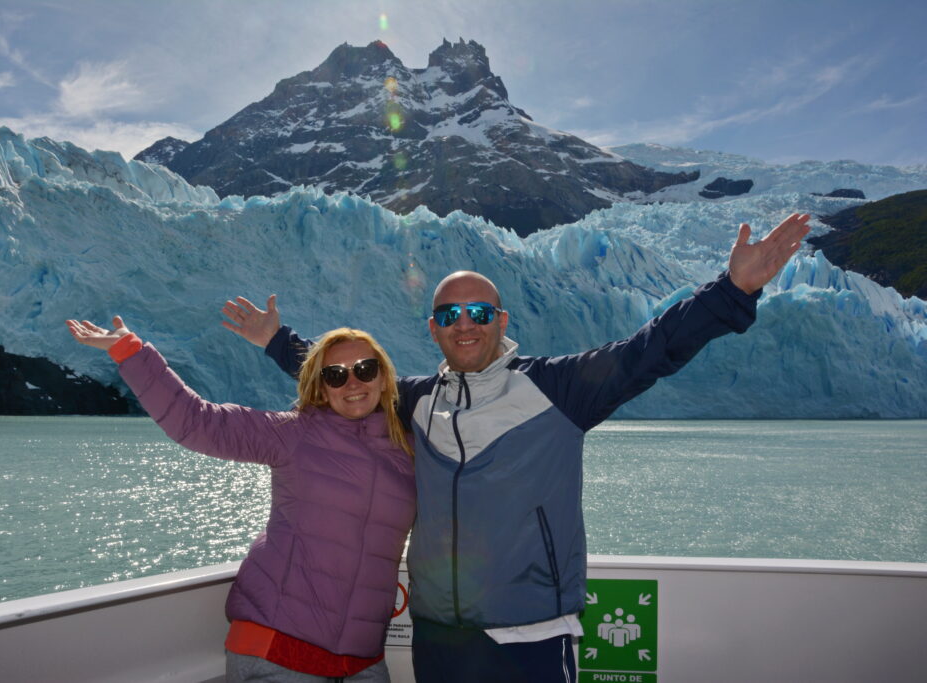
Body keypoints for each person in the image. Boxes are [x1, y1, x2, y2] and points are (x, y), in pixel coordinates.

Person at [223, 213, 812, 682]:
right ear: (433, 328)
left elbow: (649, 350)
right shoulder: (415, 400)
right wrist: (275, 340)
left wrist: (731, 291)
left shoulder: (557, 388)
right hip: (438, 639)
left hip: (529, 638)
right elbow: (348, 379)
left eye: (479, 312)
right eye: (449, 314)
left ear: (501, 320)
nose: (465, 324)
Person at [66, 316, 416, 683]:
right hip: (279, 649)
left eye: (365, 368)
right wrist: (130, 351)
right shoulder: (292, 434)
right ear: (320, 386)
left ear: (384, 376)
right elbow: (196, 421)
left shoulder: (408, 451)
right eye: (335, 375)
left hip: (362, 661)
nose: (353, 382)